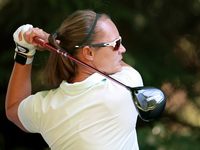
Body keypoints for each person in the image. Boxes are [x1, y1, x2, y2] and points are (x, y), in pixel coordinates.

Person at [5, 10, 143, 150]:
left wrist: (24, 50)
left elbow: (13, 108)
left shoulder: (45, 109)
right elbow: (121, 67)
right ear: (88, 53)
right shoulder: (125, 89)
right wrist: (50, 41)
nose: (123, 49)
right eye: (116, 44)